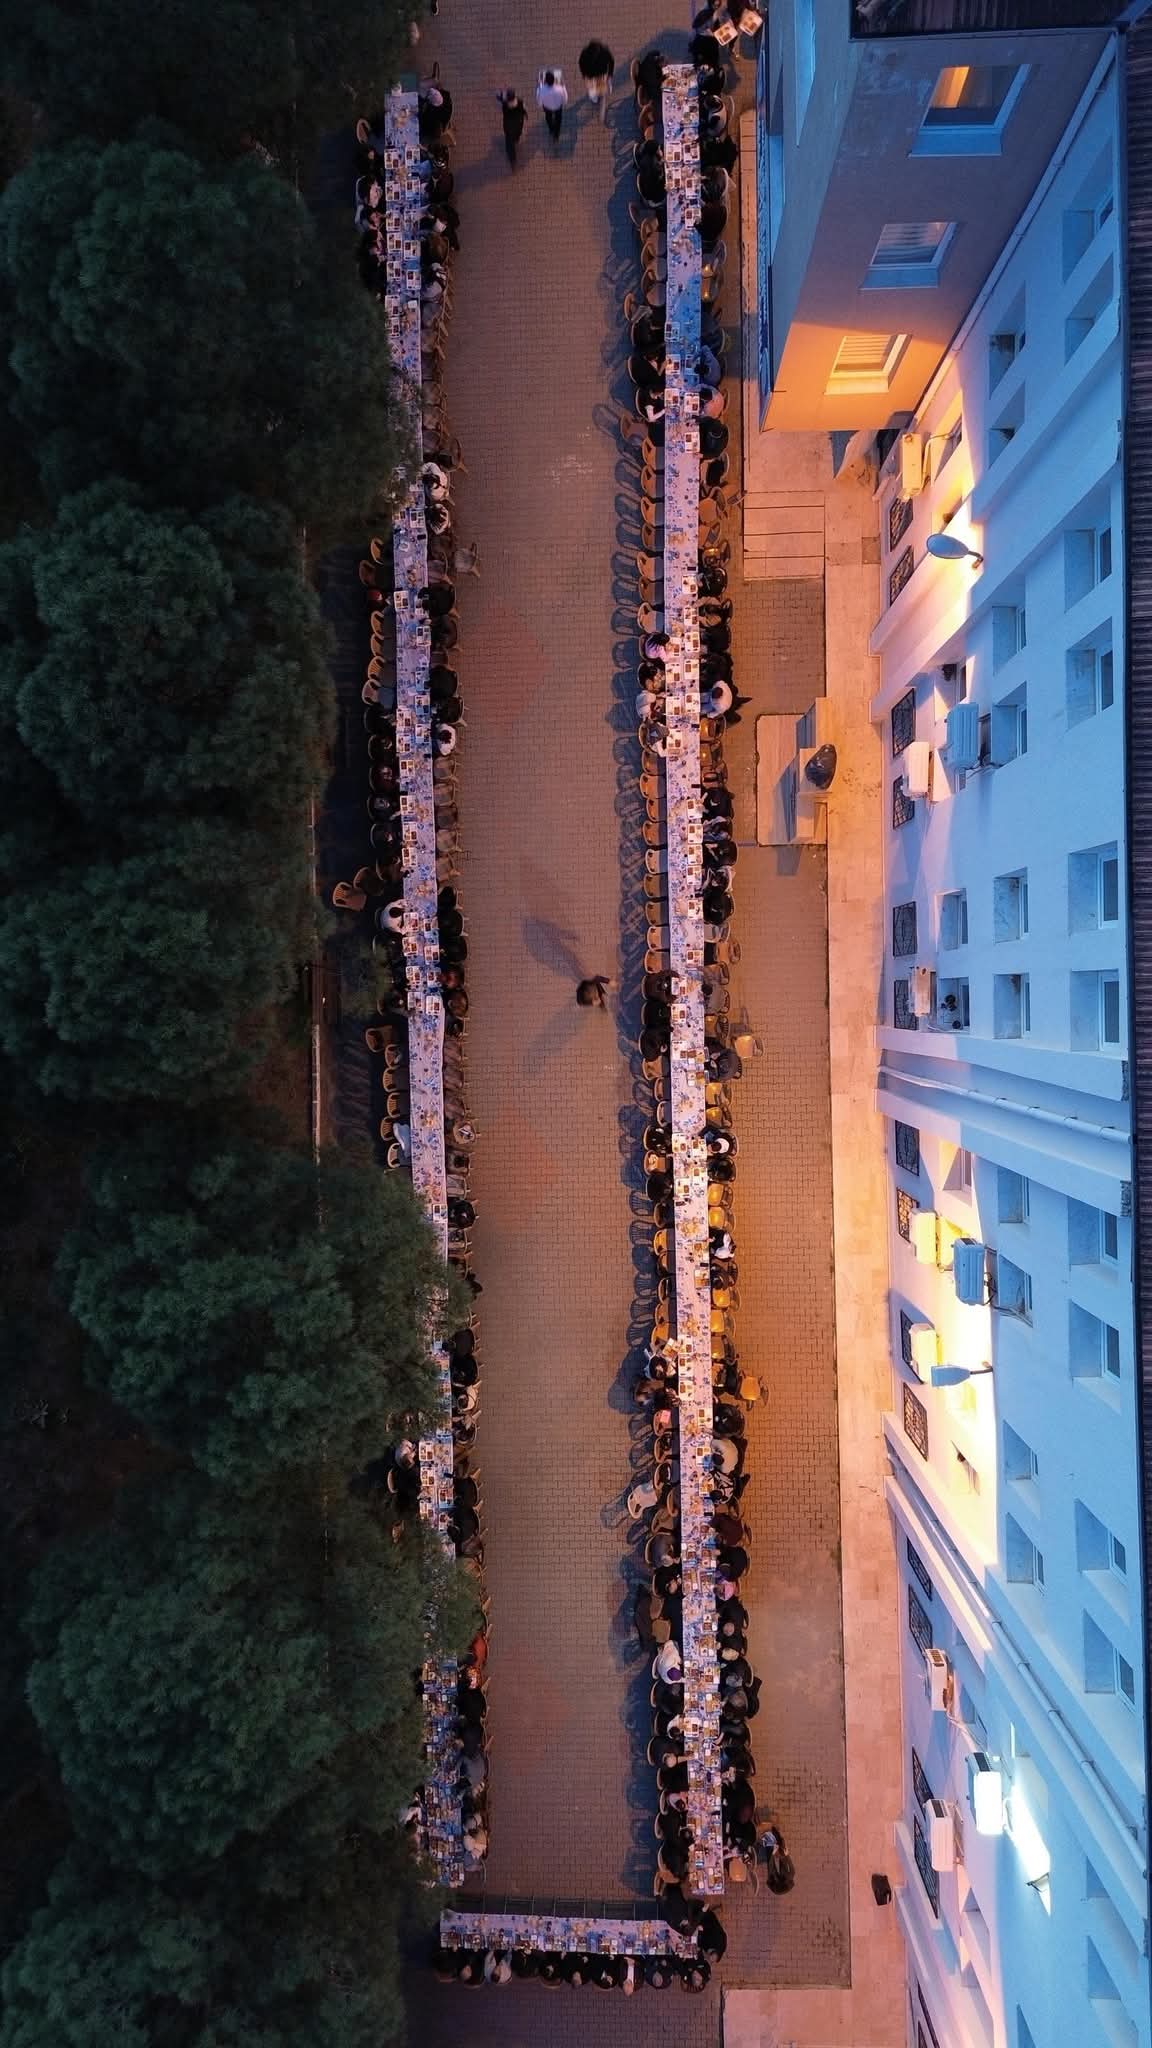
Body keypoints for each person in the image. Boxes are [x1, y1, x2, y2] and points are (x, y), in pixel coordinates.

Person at [578, 39, 616, 118]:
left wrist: (584, 75)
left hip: (593, 75)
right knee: (597, 86)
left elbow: (581, 64)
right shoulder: (605, 52)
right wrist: (610, 73)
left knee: (593, 87)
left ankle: (595, 96)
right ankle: (598, 93)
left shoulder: (584, 55)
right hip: (599, 74)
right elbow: (611, 61)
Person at [536, 67, 568, 142]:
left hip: (547, 108)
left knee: (548, 118)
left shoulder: (541, 90)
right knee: (558, 119)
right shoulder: (561, 88)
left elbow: (539, 102)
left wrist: (539, 85)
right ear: (554, 80)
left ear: (545, 81)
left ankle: (551, 129)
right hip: (558, 107)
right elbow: (565, 100)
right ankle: (556, 134)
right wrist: (563, 85)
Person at [498, 87, 527, 166]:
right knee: (518, 133)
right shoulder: (520, 101)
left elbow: (499, 97)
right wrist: (525, 114)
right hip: (518, 123)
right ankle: (516, 139)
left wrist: (501, 96)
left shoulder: (505, 104)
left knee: (509, 142)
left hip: (509, 125)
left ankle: (512, 159)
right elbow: (524, 109)